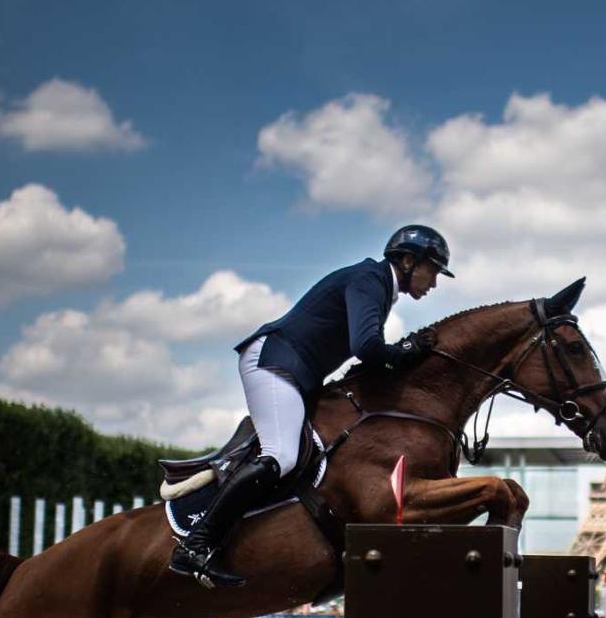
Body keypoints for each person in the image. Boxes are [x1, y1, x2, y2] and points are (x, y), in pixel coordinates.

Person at [168, 225, 455, 589]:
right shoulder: (372, 278)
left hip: (297, 372)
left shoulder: (380, 286)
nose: (434, 282)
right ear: (409, 261)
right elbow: (367, 347)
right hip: (274, 361)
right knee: (282, 455)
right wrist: (408, 351)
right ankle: (196, 545)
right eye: (433, 269)